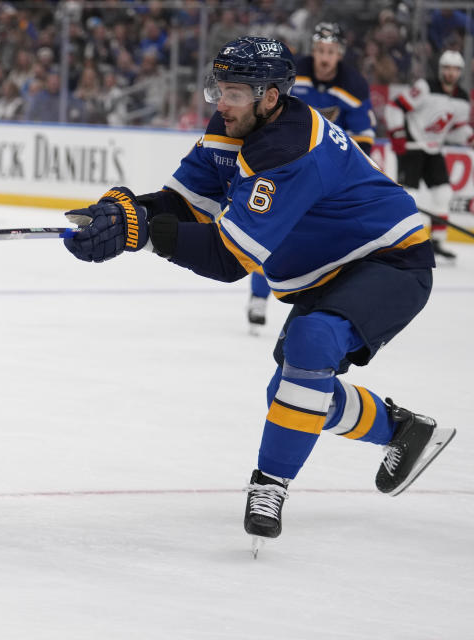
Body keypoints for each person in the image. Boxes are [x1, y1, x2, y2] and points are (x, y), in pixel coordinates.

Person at [61, 37, 456, 545]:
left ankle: (269, 484)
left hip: (390, 260)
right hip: (327, 270)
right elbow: (186, 203)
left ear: (271, 97)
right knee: (292, 394)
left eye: (234, 93)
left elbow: (230, 258)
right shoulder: (233, 125)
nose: (220, 103)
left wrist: (143, 236)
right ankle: (402, 430)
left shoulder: (288, 149)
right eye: (218, 89)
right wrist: (124, 211)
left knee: (311, 345)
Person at [247, 22, 377, 331]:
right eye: (320, 50)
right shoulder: (293, 71)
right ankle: (258, 297)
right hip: (286, 165)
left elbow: (364, 137)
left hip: (328, 173)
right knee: (269, 229)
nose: (324, 57)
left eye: (330, 52)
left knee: (330, 240)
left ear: (340, 54)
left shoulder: (354, 85)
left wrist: (344, 168)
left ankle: (324, 307)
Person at [385, 49, 473, 264]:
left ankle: (438, 241)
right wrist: (397, 132)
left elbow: (456, 128)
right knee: (411, 197)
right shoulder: (424, 87)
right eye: (447, 68)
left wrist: (470, 138)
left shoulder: (463, 98)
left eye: (455, 69)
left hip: (434, 149)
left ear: (460, 72)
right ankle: (406, 241)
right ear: (441, 69)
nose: (450, 73)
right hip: (413, 147)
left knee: (444, 194)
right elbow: (394, 106)